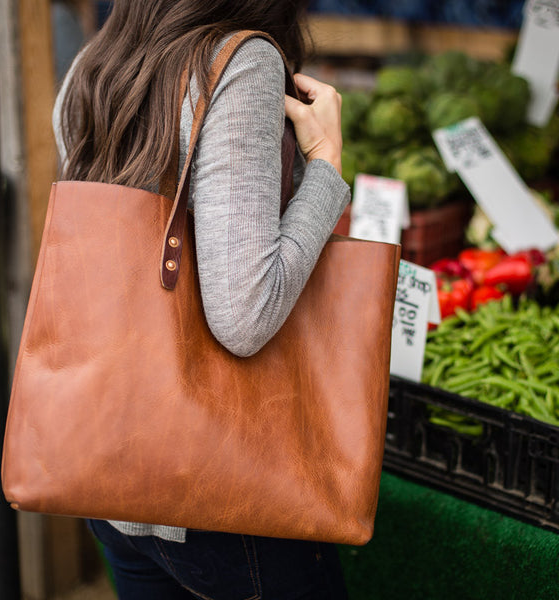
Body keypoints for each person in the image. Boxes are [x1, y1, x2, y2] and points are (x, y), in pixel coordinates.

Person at [53, 1, 351, 598]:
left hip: (107, 466)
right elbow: (244, 315)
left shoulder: (100, 60)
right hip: (221, 491)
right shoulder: (240, 62)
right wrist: (324, 166)